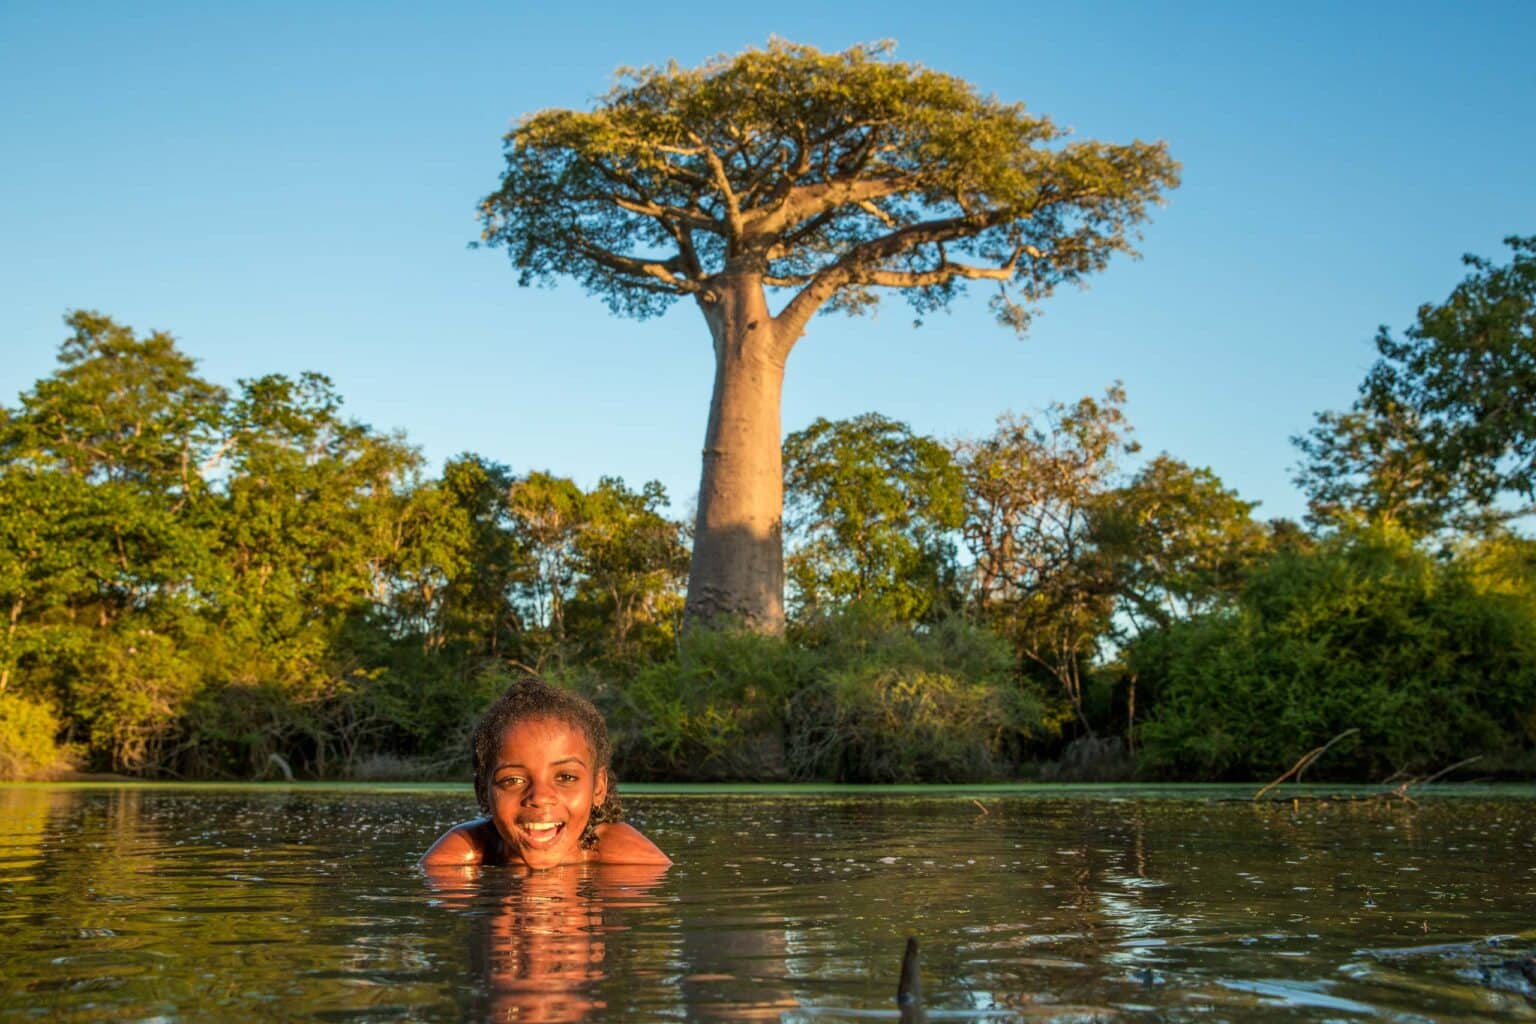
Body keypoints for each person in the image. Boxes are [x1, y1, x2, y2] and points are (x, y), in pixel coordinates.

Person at [420, 677, 671, 869]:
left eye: (566, 777)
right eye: (513, 780)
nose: (540, 797)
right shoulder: (463, 853)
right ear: (482, 793)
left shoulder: (625, 856)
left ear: (598, 788)